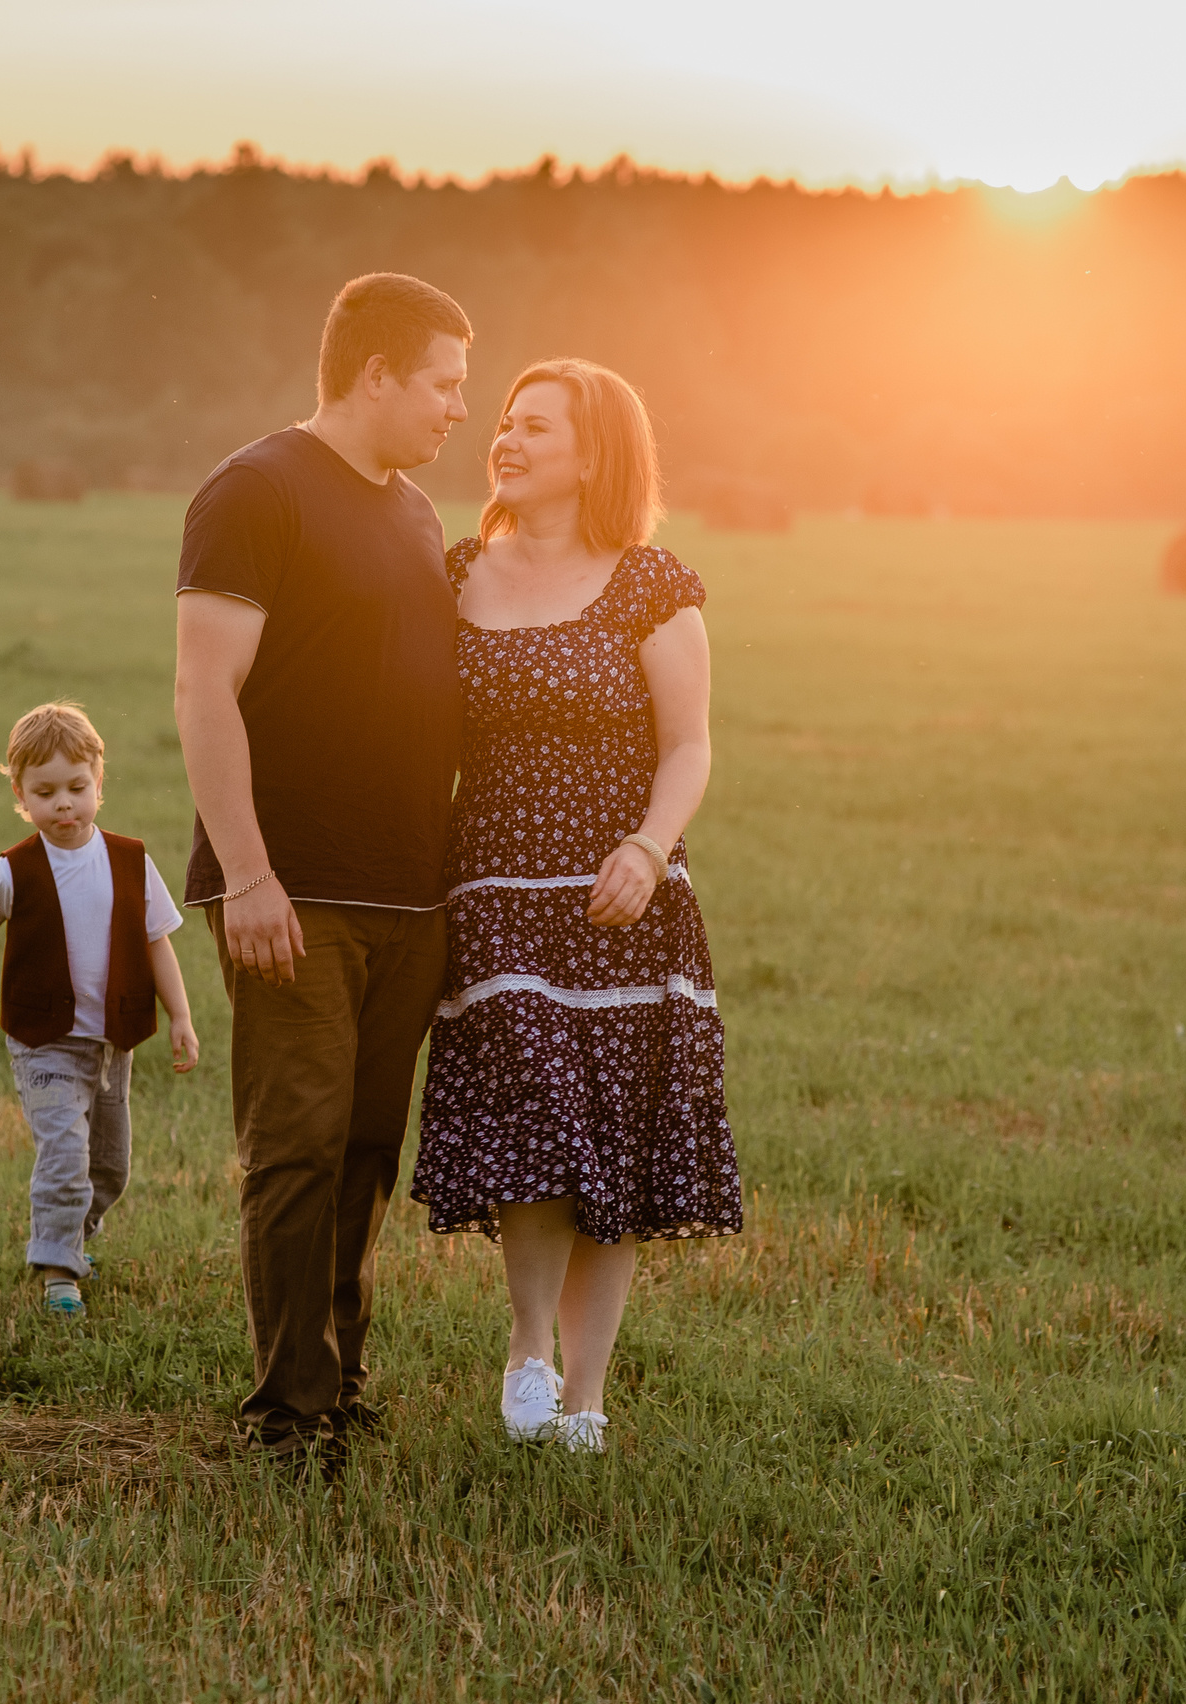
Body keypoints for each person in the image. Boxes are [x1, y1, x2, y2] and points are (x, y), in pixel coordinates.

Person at [411, 358, 741, 1455]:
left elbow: (689, 743)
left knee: (614, 1141)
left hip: (621, 897)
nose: (504, 439)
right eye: (503, 422)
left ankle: (587, 1396)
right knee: (536, 1120)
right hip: (496, 890)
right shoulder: (454, 571)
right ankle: (525, 1347)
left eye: (535, 427)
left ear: (593, 452)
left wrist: (648, 848)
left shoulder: (651, 583)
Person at [173, 272, 473, 1461]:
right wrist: (246, 875)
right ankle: (288, 1413)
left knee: (363, 1145)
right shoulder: (254, 490)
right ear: (377, 375)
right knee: (296, 1143)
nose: (459, 410)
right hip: (294, 890)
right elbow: (204, 692)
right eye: (444, 385)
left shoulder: (409, 512)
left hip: (410, 890)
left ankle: (342, 1371)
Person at [0, 701, 200, 1316]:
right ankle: (58, 1269)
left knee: (110, 1165)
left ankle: (73, 1236)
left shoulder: (130, 862)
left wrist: (182, 1017)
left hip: (112, 1040)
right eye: (45, 792)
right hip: (44, 1039)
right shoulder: (12, 871)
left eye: (76, 788)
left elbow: (156, 943)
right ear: (20, 793)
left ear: (98, 782)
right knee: (65, 1153)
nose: (63, 804)